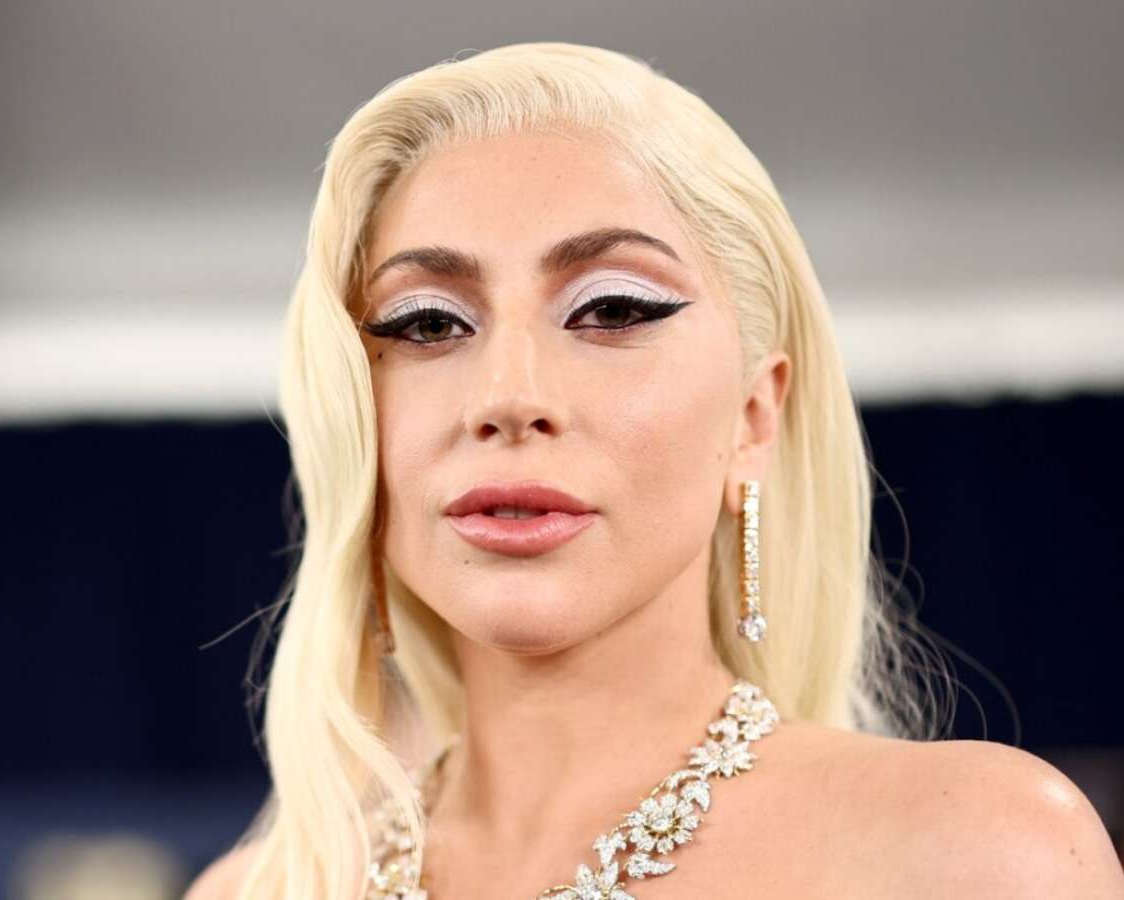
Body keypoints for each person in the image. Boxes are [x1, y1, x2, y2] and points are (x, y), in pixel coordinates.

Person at [186, 42, 1123, 900]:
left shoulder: (971, 854)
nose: (508, 396)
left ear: (754, 417)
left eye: (613, 310)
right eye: (427, 323)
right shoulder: (260, 891)